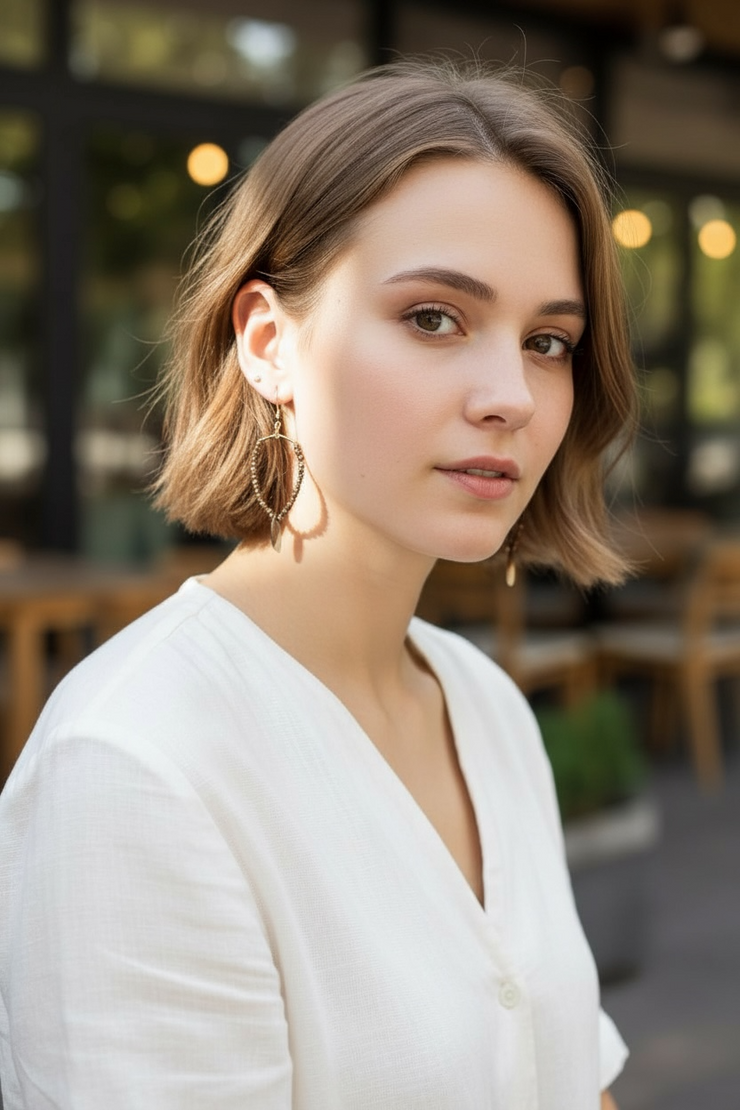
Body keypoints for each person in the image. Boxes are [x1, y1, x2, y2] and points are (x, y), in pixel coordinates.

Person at [0, 59, 636, 1109]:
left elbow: (565, 1075)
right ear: (266, 342)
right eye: (432, 317)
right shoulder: (137, 765)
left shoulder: (480, 706)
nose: (509, 395)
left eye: (547, 341)